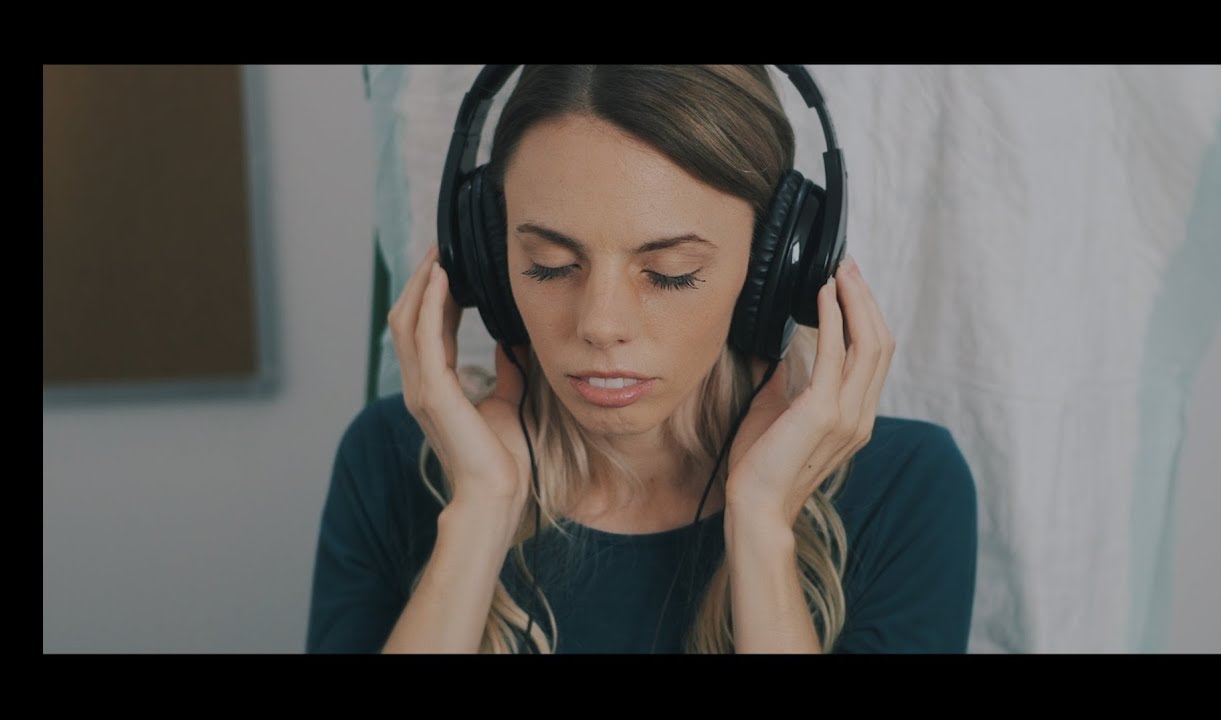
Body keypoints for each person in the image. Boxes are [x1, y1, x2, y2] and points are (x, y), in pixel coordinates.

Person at [306, 65, 978, 654]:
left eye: (671, 272)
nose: (601, 326)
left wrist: (762, 523)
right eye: (550, 265)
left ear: (778, 270)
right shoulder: (389, 461)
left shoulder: (905, 488)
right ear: (485, 258)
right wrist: (480, 511)